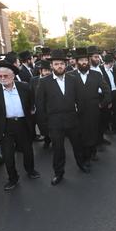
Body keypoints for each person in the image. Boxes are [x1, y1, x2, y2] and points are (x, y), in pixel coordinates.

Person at [35, 48, 86, 185]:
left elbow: (80, 100)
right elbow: (40, 105)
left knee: (77, 145)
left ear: (66, 65)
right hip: (55, 123)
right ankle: (59, 173)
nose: (59, 66)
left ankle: (81, 164)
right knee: (58, 150)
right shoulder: (44, 82)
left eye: (62, 64)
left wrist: (80, 116)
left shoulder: (73, 79)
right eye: (56, 64)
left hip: (72, 120)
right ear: (51, 65)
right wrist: (44, 126)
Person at [0, 62, 40, 190]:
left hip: (23, 123)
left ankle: (30, 170)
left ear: (13, 76)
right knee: (8, 155)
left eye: (5, 76)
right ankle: (12, 178)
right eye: (0, 76)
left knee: (28, 150)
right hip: (5, 126)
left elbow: (31, 103)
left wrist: (32, 115)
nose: (3, 78)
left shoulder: (24, 87)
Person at [72, 47, 111, 165]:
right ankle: (84, 157)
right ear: (77, 62)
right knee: (80, 135)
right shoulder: (70, 76)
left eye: (85, 60)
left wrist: (101, 104)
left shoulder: (96, 75)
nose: (84, 62)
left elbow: (107, 91)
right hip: (77, 112)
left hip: (93, 110)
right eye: (81, 60)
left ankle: (91, 154)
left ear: (88, 61)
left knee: (93, 133)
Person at [30, 59, 52, 149]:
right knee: (43, 126)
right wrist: (32, 106)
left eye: (49, 71)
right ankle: (47, 139)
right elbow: (30, 93)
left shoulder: (52, 79)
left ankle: (54, 141)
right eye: (45, 71)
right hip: (39, 108)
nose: (47, 73)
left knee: (52, 125)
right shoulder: (34, 80)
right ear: (40, 71)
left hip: (51, 107)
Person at [100, 54, 116, 134]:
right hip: (107, 94)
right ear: (110, 62)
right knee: (107, 112)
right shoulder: (101, 70)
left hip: (115, 92)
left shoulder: (113, 69)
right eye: (112, 62)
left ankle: (114, 128)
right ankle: (106, 129)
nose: (113, 63)